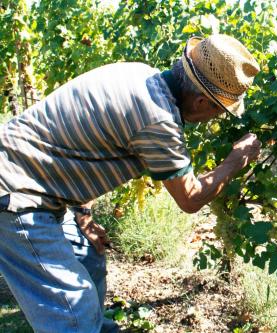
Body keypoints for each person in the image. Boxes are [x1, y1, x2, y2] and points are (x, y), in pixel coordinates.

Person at [0, 34, 262, 332]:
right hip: (17, 194)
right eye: (219, 110)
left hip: (33, 181)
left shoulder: (138, 74)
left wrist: (83, 215)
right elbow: (190, 198)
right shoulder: (158, 120)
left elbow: (83, 141)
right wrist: (235, 161)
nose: (217, 118)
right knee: (73, 306)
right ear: (203, 101)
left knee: (89, 257)